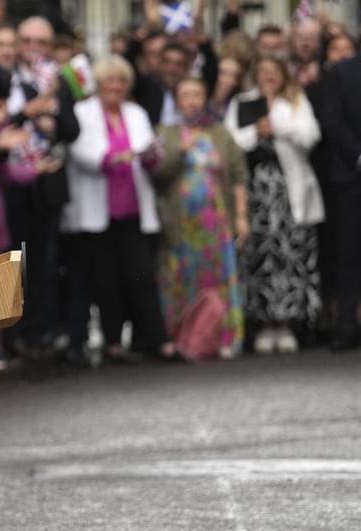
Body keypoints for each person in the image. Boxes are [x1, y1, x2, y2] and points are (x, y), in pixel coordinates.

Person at [63, 55, 175, 362]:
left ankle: (157, 338)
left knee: (140, 275)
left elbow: (148, 150)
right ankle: (112, 342)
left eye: (121, 81)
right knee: (104, 279)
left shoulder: (135, 112)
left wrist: (151, 155)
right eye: (109, 81)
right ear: (97, 84)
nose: (115, 86)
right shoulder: (82, 112)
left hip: (133, 207)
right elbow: (79, 151)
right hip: (96, 208)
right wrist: (112, 157)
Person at [225, 55, 323, 354]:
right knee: (260, 254)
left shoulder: (294, 101)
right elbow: (231, 143)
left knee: (290, 254)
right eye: (263, 72)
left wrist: (276, 125)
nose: (268, 77)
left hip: (288, 190)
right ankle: (264, 324)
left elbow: (310, 135)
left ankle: (289, 322)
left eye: (274, 72)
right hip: (255, 192)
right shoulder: (242, 102)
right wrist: (256, 131)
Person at [153, 76, 250, 359]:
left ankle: (225, 337)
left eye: (197, 94)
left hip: (216, 222)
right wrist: (177, 153)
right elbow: (157, 175)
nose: (192, 100)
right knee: (180, 279)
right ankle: (184, 338)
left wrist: (241, 216)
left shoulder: (220, 133)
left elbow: (237, 176)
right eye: (186, 95)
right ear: (177, 101)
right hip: (180, 224)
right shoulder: (165, 132)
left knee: (218, 278)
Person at [315, 51, 361, 351]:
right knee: (349, 253)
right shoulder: (341, 72)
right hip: (351, 176)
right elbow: (330, 120)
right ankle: (346, 324)